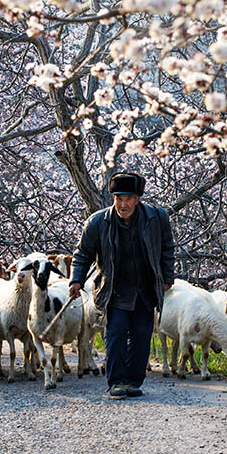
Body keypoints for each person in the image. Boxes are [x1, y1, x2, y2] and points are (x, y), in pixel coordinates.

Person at [68, 171, 175, 399]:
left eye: (128, 198)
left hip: (145, 289)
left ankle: (133, 381)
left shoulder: (157, 218)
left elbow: (167, 248)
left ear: (137, 199)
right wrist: (76, 279)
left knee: (141, 336)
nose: (122, 204)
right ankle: (116, 382)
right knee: (115, 334)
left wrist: (167, 277)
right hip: (114, 289)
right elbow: (83, 254)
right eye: (118, 198)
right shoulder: (98, 222)